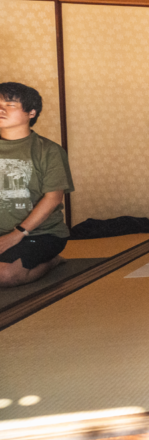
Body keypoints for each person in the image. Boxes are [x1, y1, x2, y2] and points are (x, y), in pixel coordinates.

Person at [0, 82, 74, 287]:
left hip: (40, 233)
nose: (1, 109)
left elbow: (53, 199)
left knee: (4, 275)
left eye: (10, 104)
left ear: (31, 112)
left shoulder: (48, 151)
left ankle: (52, 261)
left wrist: (16, 235)